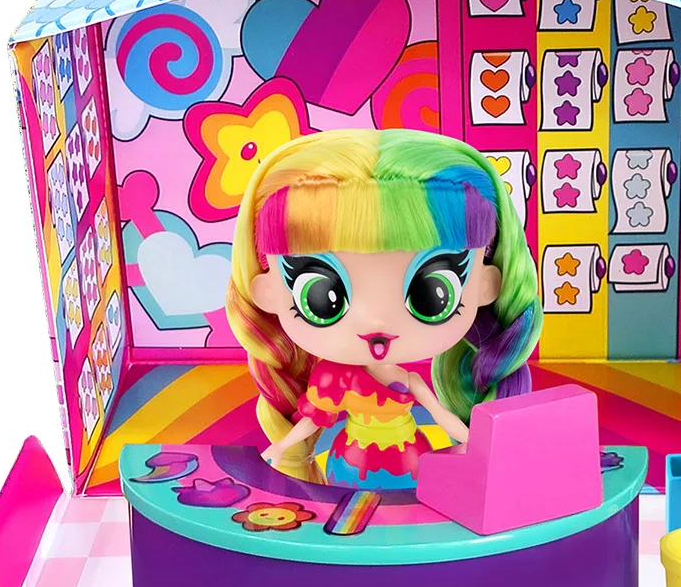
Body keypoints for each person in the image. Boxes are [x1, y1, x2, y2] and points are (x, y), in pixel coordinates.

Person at [226, 128, 542, 488]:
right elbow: (314, 419)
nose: (374, 319)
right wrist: (284, 445)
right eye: (322, 296)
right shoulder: (335, 380)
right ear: (268, 292)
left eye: (433, 292)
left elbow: (441, 416)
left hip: (409, 460)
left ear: (486, 284)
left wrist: (477, 442)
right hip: (351, 462)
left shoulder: (407, 382)